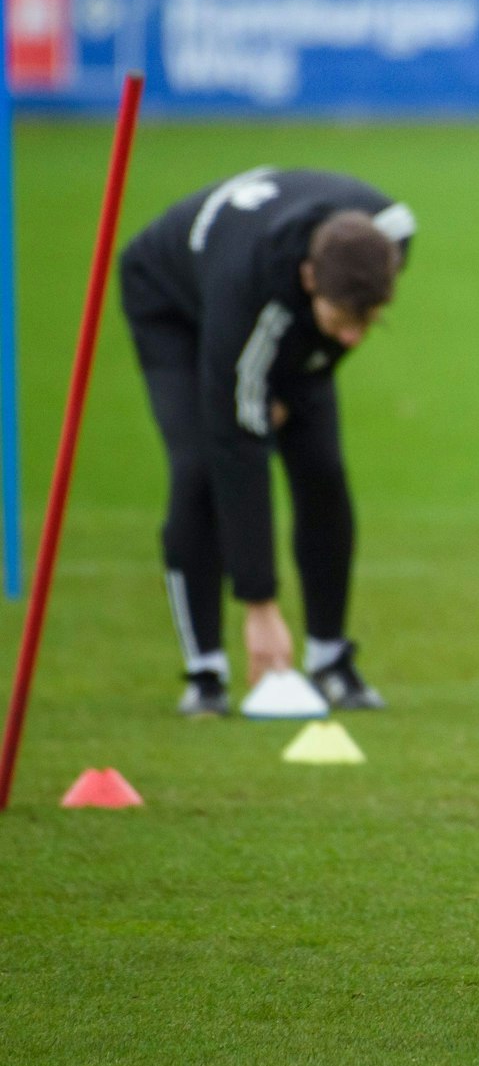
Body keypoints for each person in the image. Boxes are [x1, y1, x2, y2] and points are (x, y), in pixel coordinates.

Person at [119, 167, 416, 716]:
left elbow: (331, 333)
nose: (355, 336)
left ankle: (330, 659)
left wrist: (291, 386)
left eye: (369, 320)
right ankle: (205, 674)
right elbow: (239, 444)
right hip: (173, 302)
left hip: (285, 314)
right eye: (344, 320)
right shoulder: (247, 293)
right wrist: (260, 603)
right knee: (200, 470)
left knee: (321, 465)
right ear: (309, 279)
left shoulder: (390, 233)